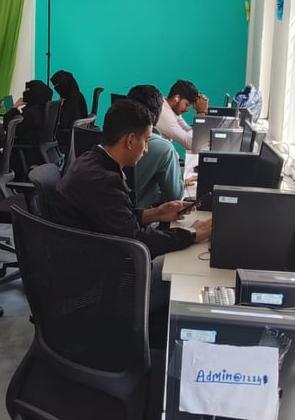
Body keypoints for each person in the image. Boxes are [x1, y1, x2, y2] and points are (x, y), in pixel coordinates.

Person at [50, 100, 211, 313]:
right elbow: (137, 241)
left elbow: (115, 218)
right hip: (103, 288)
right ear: (130, 140)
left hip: (85, 268)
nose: (146, 149)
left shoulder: (90, 160)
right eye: (146, 140)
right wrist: (191, 234)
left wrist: (156, 213)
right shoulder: (104, 180)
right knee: (182, 276)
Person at [127, 85, 184, 209]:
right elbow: (175, 197)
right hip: (136, 217)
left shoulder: (114, 138)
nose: (145, 149)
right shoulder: (163, 148)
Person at [4, 79, 53, 174]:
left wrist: (14, 107)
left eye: (27, 90)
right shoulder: (44, 109)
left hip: (27, 153)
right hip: (39, 151)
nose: (24, 93)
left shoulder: (31, 113)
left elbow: (10, 127)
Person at [155, 79, 209, 150]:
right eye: (187, 104)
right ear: (176, 98)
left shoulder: (170, 108)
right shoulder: (164, 112)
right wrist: (201, 113)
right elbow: (192, 144)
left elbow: (187, 130)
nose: (187, 110)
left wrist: (203, 112)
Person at [50, 70, 88, 152]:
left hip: (69, 136)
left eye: (57, 85)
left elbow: (65, 123)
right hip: (76, 135)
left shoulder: (72, 101)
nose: (55, 88)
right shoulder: (76, 95)